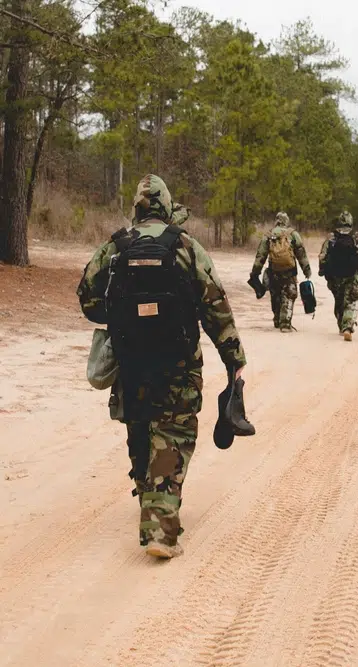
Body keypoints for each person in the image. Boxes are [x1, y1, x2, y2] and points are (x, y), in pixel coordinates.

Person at [77, 174, 247, 559]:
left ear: (136, 209)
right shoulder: (186, 246)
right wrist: (233, 358)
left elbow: (87, 297)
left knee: (140, 429)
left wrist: (123, 317)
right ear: (168, 208)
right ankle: (160, 529)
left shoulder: (117, 246)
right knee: (173, 434)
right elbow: (216, 306)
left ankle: (147, 494)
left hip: (131, 362)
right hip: (179, 363)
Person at [250, 211, 311, 332]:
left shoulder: (268, 235)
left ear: (276, 221)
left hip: (274, 271)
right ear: (286, 221)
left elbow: (260, 255)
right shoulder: (293, 234)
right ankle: (285, 323)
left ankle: (277, 319)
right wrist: (306, 270)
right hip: (289, 272)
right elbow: (301, 253)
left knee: (275, 295)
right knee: (289, 295)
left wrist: (255, 272)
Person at [317, 210, 358, 341]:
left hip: (334, 277)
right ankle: (347, 327)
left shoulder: (331, 237)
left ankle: (342, 324)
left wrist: (323, 270)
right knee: (351, 301)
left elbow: (322, 256)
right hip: (352, 275)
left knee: (339, 300)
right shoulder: (356, 236)